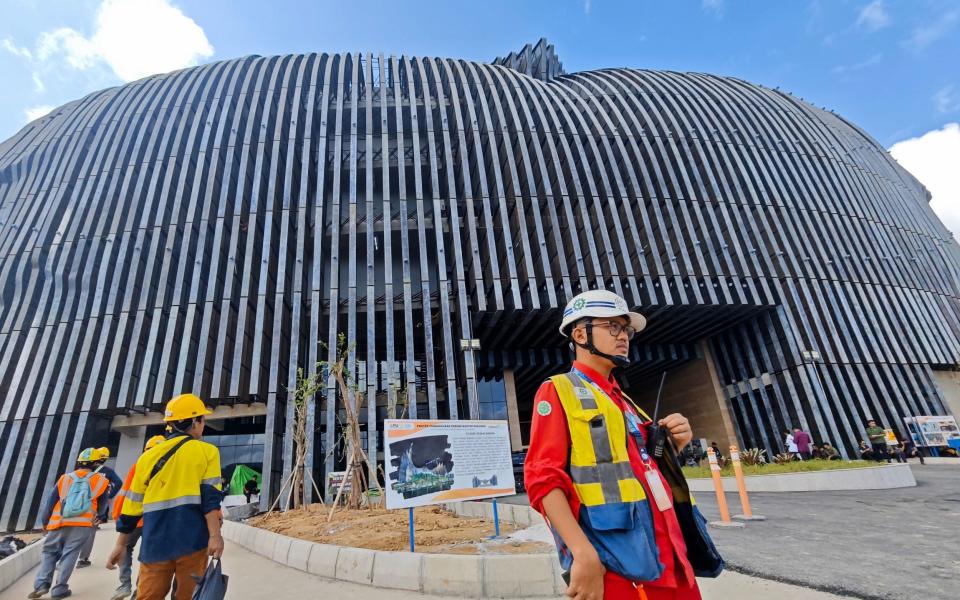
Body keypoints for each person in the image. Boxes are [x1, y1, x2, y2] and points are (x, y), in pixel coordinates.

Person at [524, 290, 717, 600]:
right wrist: (582, 553)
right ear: (579, 333)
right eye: (612, 326)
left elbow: (638, 468)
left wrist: (674, 445)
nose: (624, 335)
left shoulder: (624, 402)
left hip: (672, 557)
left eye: (625, 329)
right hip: (619, 563)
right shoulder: (558, 390)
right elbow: (542, 480)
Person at [107, 394, 224, 600]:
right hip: (193, 543)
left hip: (155, 544)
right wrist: (215, 535)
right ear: (195, 422)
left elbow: (132, 507)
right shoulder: (207, 452)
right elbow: (210, 500)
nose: (203, 424)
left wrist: (121, 543)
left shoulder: (146, 458)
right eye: (202, 419)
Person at [29, 448, 111, 599]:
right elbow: (103, 505)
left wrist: (45, 522)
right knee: (70, 554)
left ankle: (41, 585)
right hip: (82, 524)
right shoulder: (101, 480)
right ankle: (59, 589)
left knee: (49, 553)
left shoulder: (65, 478)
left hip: (58, 522)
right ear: (95, 464)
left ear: (78, 462)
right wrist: (99, 517)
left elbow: (50, 501)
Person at [110, 435, 167, 600]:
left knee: (125, 549)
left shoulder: (140, 464)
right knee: (147, 556)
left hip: (134, 519)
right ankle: (139, 590)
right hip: (155, 521)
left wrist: (118, 516)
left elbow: (126, 493)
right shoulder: (171, 467)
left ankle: (124, 585)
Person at [75, 446, 123, 569]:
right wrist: (110, 495)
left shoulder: (81, 471)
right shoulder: (107, 472)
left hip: (77, 505)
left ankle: (65, 557)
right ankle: (83, 559)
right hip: (95, 507)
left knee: (72, 532)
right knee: (90, 533)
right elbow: (118, 482)